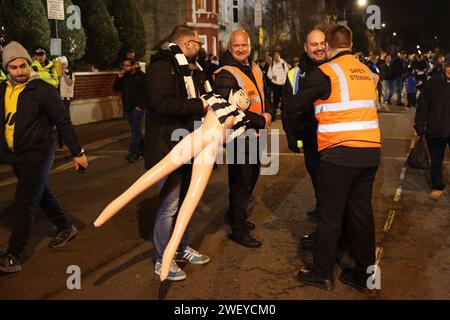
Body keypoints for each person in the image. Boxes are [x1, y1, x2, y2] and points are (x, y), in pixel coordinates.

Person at [94, 47, 254, 284]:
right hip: (186, 141)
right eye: (242, 95)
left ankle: (173, 253)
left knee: (188, 204)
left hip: (204, 152)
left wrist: (253, 121)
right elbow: (169, 104)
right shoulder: (211, 97)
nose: (244, 99)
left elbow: (236, 134)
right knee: (163, 196)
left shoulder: (235, 113)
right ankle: (160, 256)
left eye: (247, 100)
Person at [287, 26, 381, 291]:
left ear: (327, 46)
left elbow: (294, 105)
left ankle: (322, 273)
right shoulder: (366, 72)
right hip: (370, 152)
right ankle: (365, 275)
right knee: (362, 215)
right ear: (350, 44)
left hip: (338, 154)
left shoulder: (326, 72)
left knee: (329, 217)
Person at [0, 41, 88, 273]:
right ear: (6, 69)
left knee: (25, 201)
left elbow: (63, 122)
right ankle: (65, 226)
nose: (19, 71)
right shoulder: (4, 90)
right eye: (14, 67)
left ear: (29, 64)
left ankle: (14, 255)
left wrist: (77, 152)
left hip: (38, 152)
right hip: (16, 154)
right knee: (40, 193)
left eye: (23, 66)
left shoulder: (42, 90)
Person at [144, 25, 212, 281]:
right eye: (197, 42)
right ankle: (163, 258)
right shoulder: (162, 67)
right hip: (167, 148)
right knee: (169, 206)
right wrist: (200, 105)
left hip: (189, 145)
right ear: (187, 45)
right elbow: (162, 103)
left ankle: (181, 247)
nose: (200, 48)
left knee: (186, 202)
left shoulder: (190, 68)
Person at [214, 29, 272, 248]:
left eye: (244, 45)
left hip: (256, 134)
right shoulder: (226, 73)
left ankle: (235, 216)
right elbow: (229, 109)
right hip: (240, 137)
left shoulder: (255, 68)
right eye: (236, 46)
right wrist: (261, 119)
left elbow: (263, 94)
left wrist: (270, 113)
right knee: (241, 183)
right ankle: (238, 229)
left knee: (251, 179)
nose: (240, 49)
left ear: (250, 47)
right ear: (230, 48)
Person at [282, 29, 327, 242]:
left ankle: (327, 236)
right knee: (319, 183)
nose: (319, 48)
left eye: (322, 43)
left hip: (336, 142)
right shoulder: (295, 74)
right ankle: (323, 219)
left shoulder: (335, 68)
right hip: (311, 140)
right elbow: (288, 108)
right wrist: (293, 138)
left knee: (333, 189)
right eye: (314, 44)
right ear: (306, 48)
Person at [414, 62, 450, 200]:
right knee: (436, 160)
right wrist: (419, 125)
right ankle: (437, 185)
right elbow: (422, 106)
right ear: (444, 67)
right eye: (448, 66)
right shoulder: (431, 84)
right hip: (435, 129)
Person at [113, 57, 146, 163]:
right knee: (136, 131)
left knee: (135, 131)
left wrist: (141, 105)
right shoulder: (125, 77)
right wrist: (119, 77)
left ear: (133, 66)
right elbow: (116, 89)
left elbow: (148, 92)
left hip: (137, 109)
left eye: (127, 66)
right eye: (124, 66)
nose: (125, 68)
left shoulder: (141, 76)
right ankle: (143, 150)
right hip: (128, 108)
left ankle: (133, 153)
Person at [57, 56, 76, 150]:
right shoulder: (57, 74)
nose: (62, 66)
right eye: (61, 64)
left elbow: (69, 83)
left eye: (64, 64)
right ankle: (61, 144)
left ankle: (68, 143)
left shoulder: (70, 73)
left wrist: (63, 74)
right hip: (59, 99)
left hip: (66, 99)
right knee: (61, 121)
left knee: (66, 121)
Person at [268, 52, 290, 120]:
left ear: (280, 56)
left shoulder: (283, 64)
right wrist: (272, 77)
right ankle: (274, 116)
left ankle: (284, 116)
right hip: (275, 85)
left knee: (284, 101)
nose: (276, 57)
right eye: (275, 56)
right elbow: (269, 74)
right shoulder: (272, 64)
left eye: (277, 56)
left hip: (283, 85)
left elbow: (287, 72)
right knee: (275, 101)